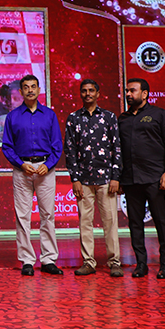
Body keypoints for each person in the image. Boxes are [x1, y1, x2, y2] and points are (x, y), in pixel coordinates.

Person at [1, 74, 63, 277]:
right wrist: (21, 164)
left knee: (48, 215)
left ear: (38, 90)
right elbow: (7, 146)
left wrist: (48, 165)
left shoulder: (49, 115)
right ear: (21, 91)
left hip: (46, 169)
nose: (30, 90)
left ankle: (48, 259)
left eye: (33, 86)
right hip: (22, 169)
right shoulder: (12, 116)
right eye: (26, 87)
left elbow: (57, 145)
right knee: (22, 217)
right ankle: (27, 260)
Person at [118, 78, 165, 280]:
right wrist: (119, 178)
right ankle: (141, 264)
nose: (128, 94)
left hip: (155, 178)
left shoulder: (159, 114)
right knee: (135, 224)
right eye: (127, 91)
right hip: (130, 179)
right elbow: (117, 150)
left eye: (132, 90)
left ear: (144, 94)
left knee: (161, 222)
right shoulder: (122, 119)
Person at [64, 79, 123, 278]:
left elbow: (117, 148)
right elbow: (70, 150)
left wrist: (115, 177)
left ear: (98, 94)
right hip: (83, 180)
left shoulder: (109, 117)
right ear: (80, 94)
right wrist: (75, 178)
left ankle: (114, 262)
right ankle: (88, 262)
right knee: (85, 223)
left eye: (91, 90)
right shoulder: (73, 118)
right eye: (84, 91)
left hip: (106, 179)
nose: (87, 94)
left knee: (110, 222)